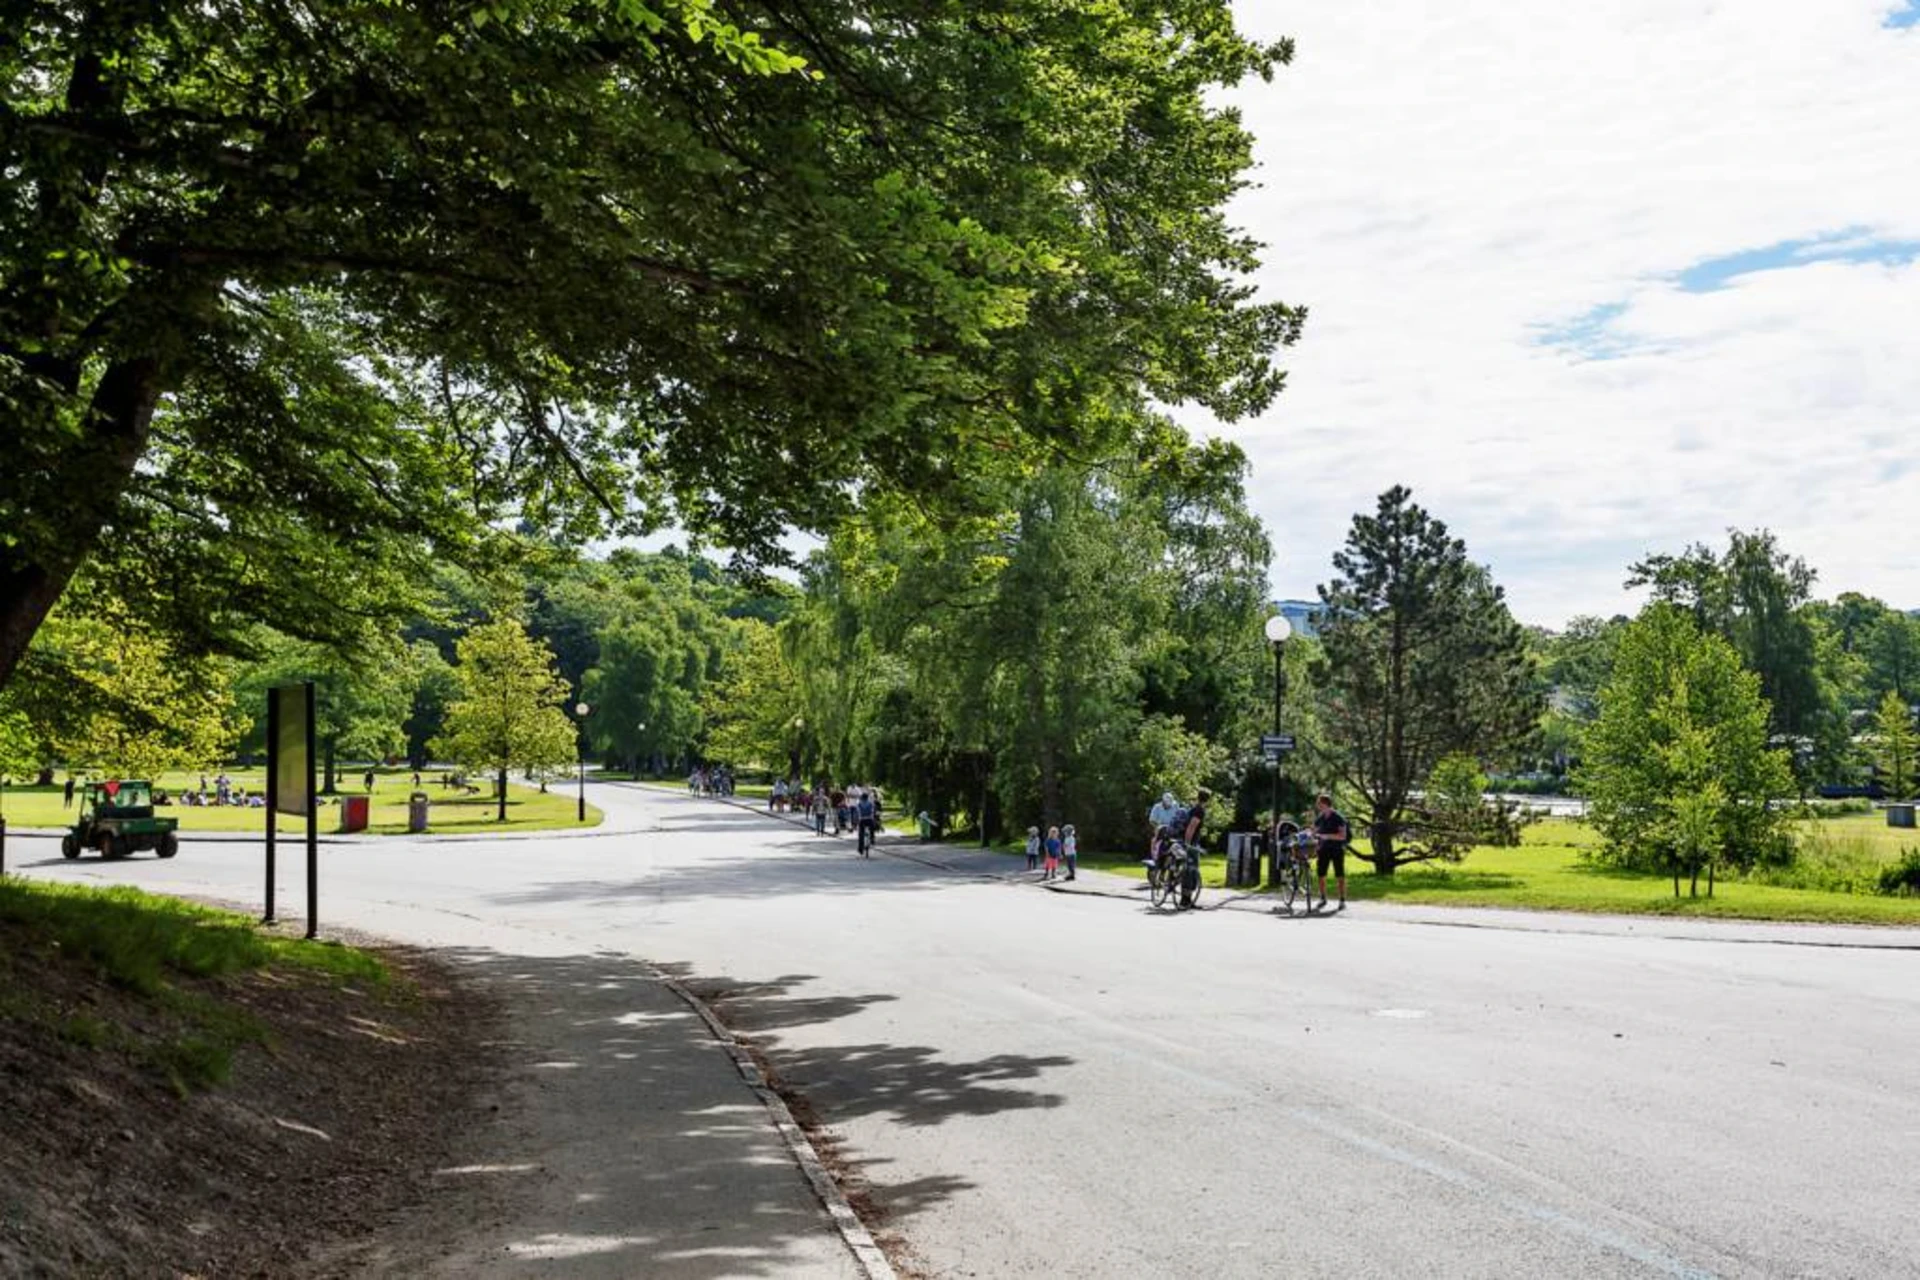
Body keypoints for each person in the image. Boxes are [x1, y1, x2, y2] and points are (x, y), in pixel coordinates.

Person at [1310, 792, 1349, 911]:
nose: (1318, 806)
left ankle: (1342, 900)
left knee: (1339, 875)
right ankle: (1322, 898)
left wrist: (1327, 836)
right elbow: (1314, 832)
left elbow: (1343, 836)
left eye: (1319, 803)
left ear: (1326, 804)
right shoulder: (1320, 818)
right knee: (1321, 874)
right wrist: (1311, 836)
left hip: (1337, 849)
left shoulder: (1338, 817)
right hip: (1323, 850)